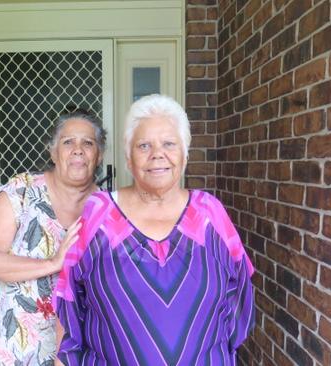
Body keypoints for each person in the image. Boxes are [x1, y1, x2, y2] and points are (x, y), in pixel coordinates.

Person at [54, 95, 255, 365]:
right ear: (128, 158)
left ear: (185, 154)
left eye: (169, 144)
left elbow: (239, 300)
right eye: (144, 145)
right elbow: (69, 305)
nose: (157, 154)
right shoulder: (99, 214)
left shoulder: (211, 214)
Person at [0, 109, 106, 366]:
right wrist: (53, 263)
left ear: (98, 155)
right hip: (7, 348)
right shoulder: (21, 193)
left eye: (88, 143)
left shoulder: (106, 209)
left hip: (70, 355)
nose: (78, 149)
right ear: (53, 152)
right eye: (68, 142)